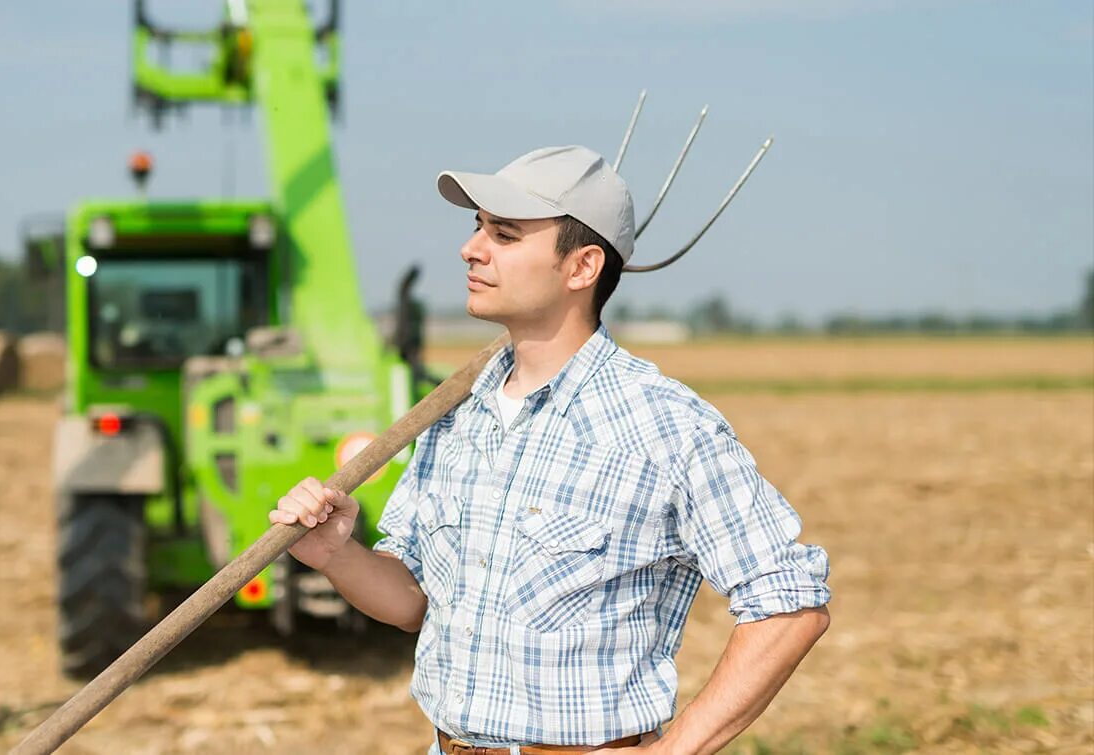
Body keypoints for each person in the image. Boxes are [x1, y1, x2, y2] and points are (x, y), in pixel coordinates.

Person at [269, 145, 831, 755]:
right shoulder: (454, 416)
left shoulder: (663, 425)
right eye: (478, 228)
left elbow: (789, 605)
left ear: (583, 267)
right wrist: (335, 555)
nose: (472, 249)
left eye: (505, 235)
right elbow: (412, 603)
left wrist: (674, 752)